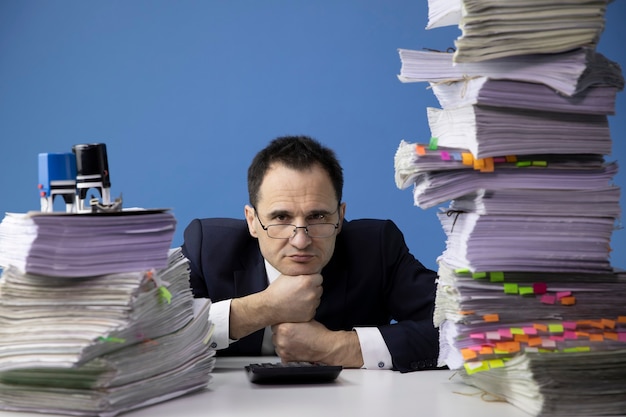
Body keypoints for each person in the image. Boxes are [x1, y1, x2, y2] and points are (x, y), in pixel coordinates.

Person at [181, 135, 440, 372]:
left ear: (340, 217)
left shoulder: (377, 248)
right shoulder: (208, 248)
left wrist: (337, 346)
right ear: (252, 221)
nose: (301, 240)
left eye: (317, 217)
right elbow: (147, 336)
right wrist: (262, 308)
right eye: (281, 217)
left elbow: (466, 327)